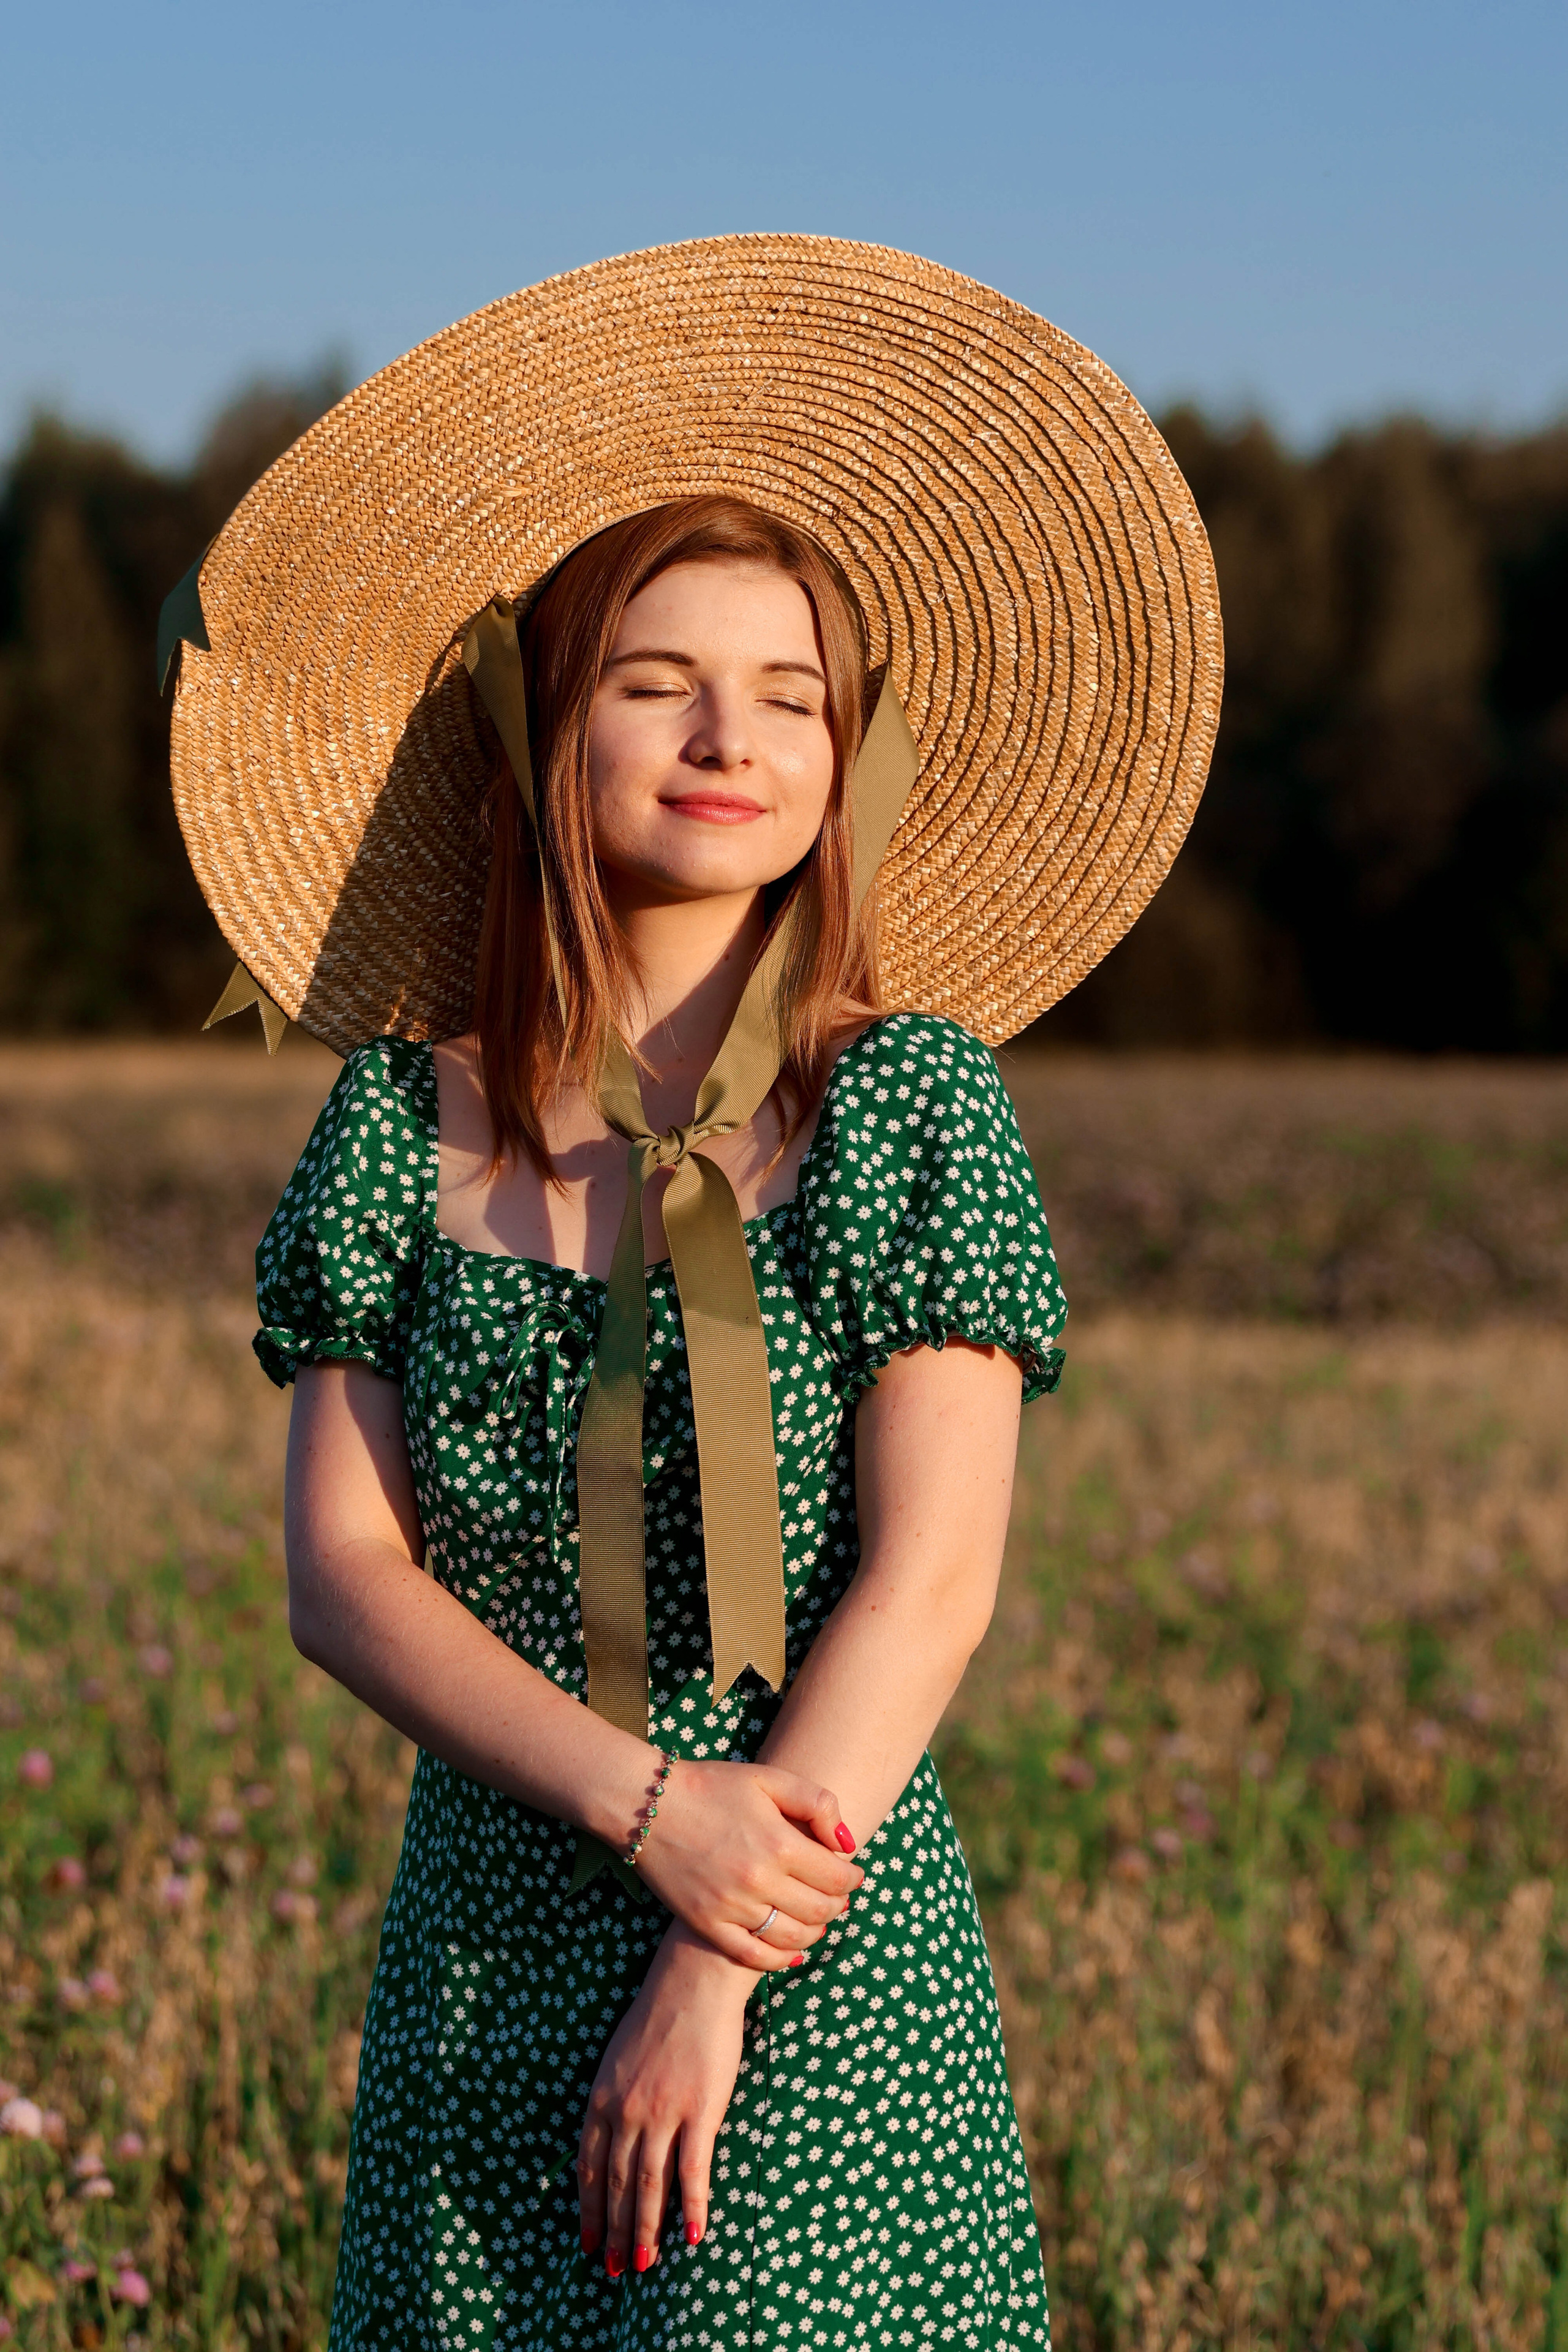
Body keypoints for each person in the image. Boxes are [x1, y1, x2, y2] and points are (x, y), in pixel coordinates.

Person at [160, 236, 1220, 2351]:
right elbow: (343, 1578)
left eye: (793, 695)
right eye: (658, 682)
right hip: (487, 1940)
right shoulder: (405, 1114)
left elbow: (930, 1588)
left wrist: (717, 1953)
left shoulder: (910, 1102)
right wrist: (640, 1808)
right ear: (549, 723)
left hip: (807, 1945)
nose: (731, 736)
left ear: (852, 759)